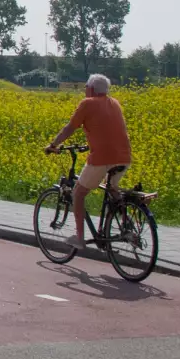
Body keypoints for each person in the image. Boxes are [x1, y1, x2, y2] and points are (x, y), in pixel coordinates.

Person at [44, 73, 132, 250]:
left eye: (86, 87)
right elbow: (106, 129)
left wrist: (53, 145)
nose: (85, 90)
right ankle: (126, 225)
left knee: (78, 194)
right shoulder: (114, 103)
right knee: (112, 189)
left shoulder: (87, 103)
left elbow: (70, 128)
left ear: (91, 89)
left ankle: (79, 238)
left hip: (101, 159)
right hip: (124, 157)